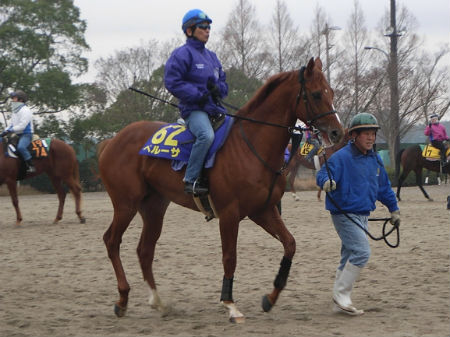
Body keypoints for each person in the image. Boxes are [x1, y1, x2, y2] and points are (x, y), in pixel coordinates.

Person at [316, 112, 400, 316]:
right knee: (362, 252)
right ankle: (342, 295)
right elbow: (322, 173)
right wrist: (326, 182)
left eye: (373, 134)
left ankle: (339, 300)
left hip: (362, 214)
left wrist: (393, 208)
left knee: (348, 255)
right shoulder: (342, 157)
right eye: (366, 134)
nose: (371, 138)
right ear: (354, 136)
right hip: (343, 213)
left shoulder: (375, 160)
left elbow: (384, 188)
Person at [164, 9, 228, 195]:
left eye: (209, 27)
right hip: (194, 110)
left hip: (215, 108)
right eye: (203, 27)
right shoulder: (181, 54)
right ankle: (190, 180)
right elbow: (172, 82)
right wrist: (197, 94)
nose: (207, 30)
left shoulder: (212, 57)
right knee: (206, 136)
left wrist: (218, 90)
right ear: (190, 30)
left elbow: (223, 82)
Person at [0, 90, 35, 173]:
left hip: (26, 134)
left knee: (21, 147)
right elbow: (12, 124)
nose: (12, 100)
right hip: (17, 134)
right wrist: (4, 131)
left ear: (21, 100)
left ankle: (31, 166)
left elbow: (22, 126)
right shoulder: (15, 111)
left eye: (14, 98)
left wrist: (10, 130)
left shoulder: (25, 110)